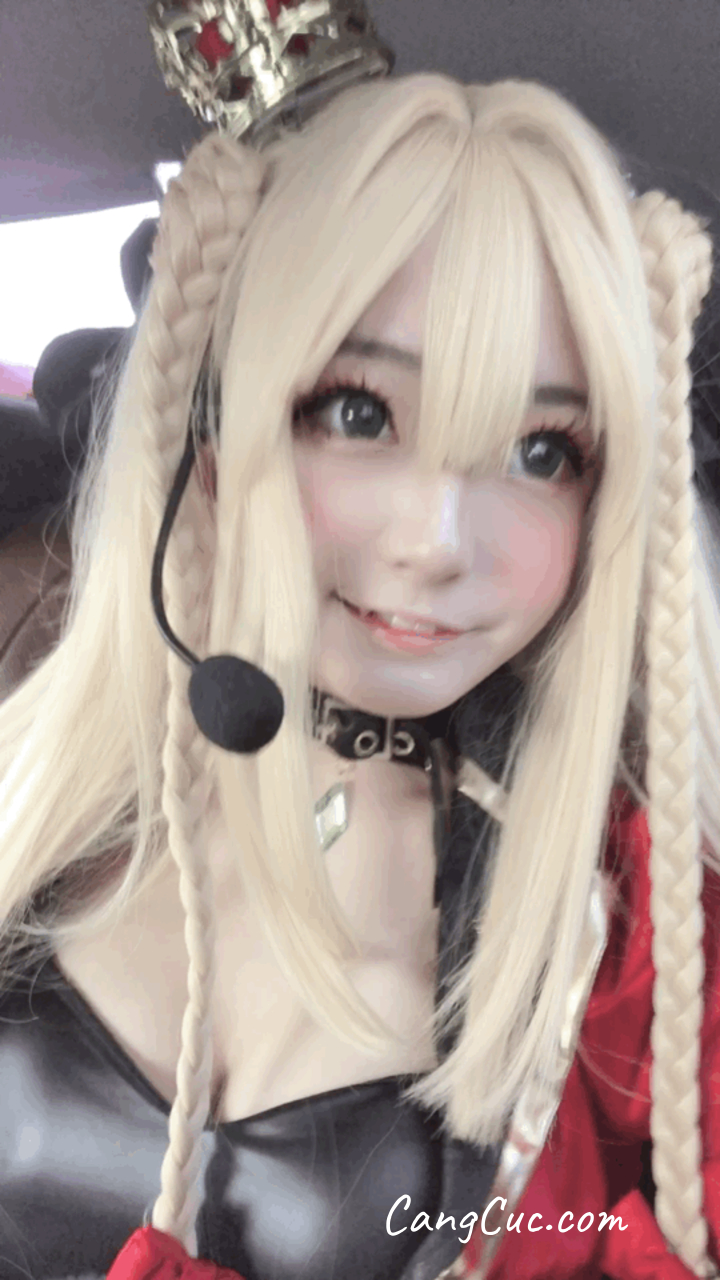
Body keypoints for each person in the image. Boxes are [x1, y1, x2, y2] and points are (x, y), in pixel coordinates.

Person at [0, 27, 718, 1280]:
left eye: (541, 450)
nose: (438, 542)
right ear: (214, 435)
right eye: (357, 411)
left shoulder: (632, 958)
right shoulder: (38, 772)